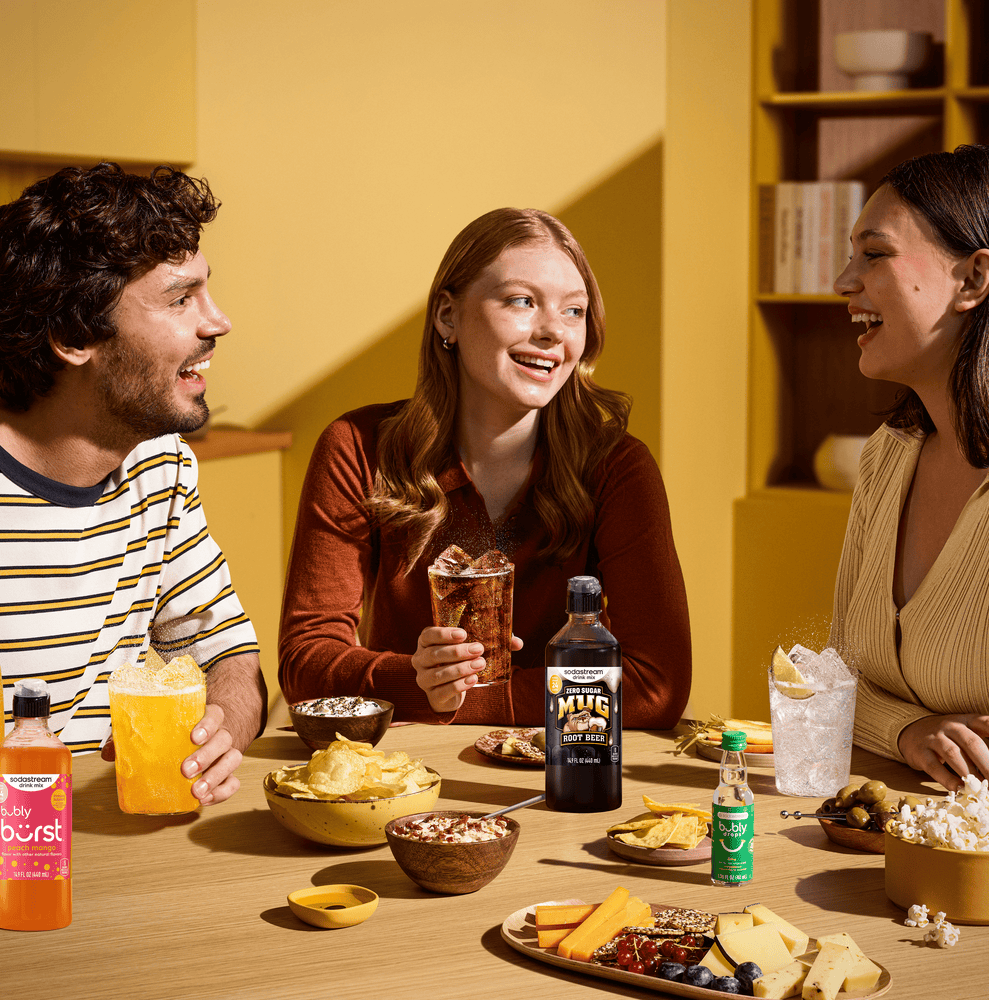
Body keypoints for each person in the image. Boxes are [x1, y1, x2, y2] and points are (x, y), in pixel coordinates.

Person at [279, 208, 691, 726]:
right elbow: (305, 661)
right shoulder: (357, 448)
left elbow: (658, 684)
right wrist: (417, 678)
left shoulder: (618, 469)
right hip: (400, 774)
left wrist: (454, 696)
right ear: (448, 316)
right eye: (522, 301)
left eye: (574, 311)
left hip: (563, 771)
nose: (552, 333)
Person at [0, 162, 267, 805]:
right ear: (71, 334)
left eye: (207, 291)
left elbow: (228, 655)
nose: (218, 322)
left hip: (117, 849)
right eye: (180, 299)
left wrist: (217, 734)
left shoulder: (160, 464)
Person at [830, 144, 989, 794]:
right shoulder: (888, 454)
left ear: (973, 280)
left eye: (874, 255)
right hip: (902, 841)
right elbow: (838, 681)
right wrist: (909, 731)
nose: (844, 282)